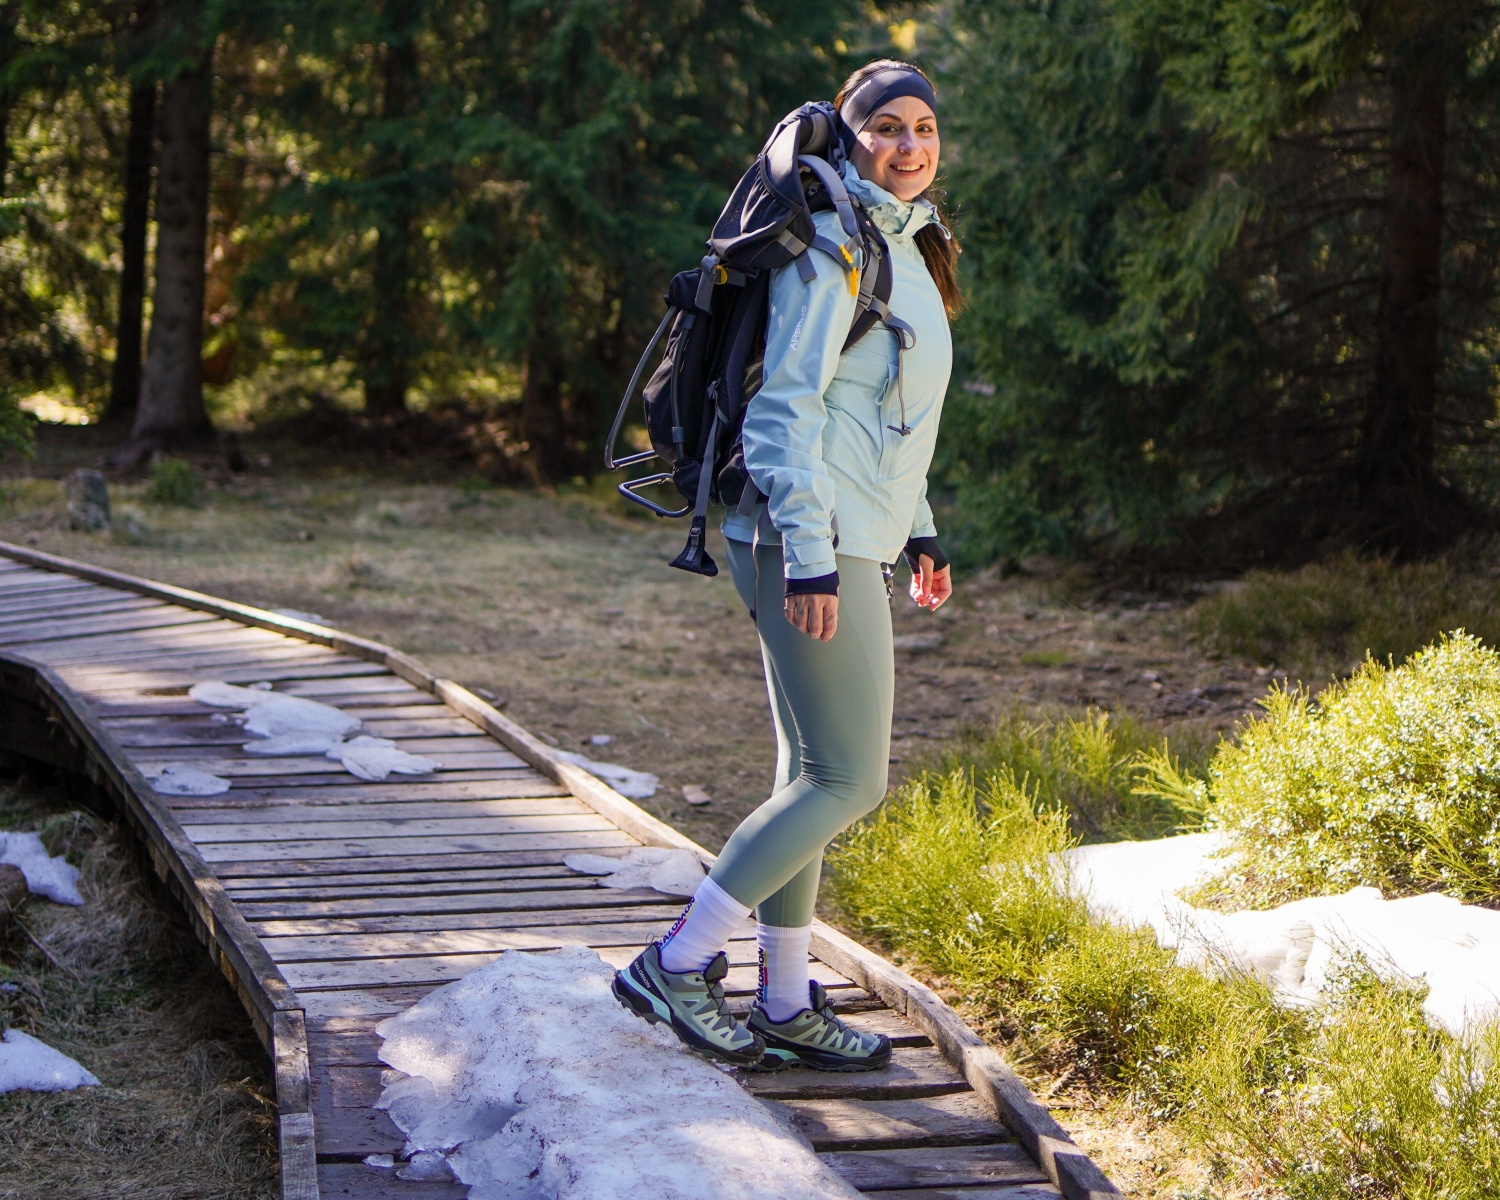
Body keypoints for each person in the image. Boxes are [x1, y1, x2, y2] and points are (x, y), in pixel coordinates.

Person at [614, 59, 961, 1071]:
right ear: (849, 139)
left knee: (808, 772)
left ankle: (782, 997)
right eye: (886, 127)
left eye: (924, 126)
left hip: (851, 533)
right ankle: (677, 962)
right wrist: (812, 556)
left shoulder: (911, 243)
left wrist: (920, 528)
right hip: (805, 538)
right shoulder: (831, 250)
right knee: (849, 780)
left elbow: (890, 417)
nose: (908, 145)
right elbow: (783, 413)